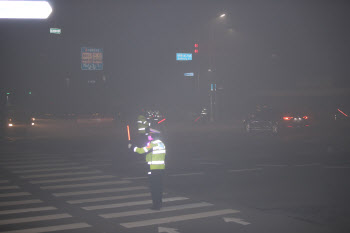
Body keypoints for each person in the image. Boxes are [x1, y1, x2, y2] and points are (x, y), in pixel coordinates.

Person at [128, 132, 166, 210]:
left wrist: (132, 147)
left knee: (154, 188)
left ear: (153, 138)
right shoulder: (162, 144)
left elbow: (141, 151)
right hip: (161, 169)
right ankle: (159, 203)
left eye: (150, 137)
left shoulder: (153, 144)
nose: (149, 138)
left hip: (153, 169)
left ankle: (156, 206)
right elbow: (152, 154)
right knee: (159, 188)